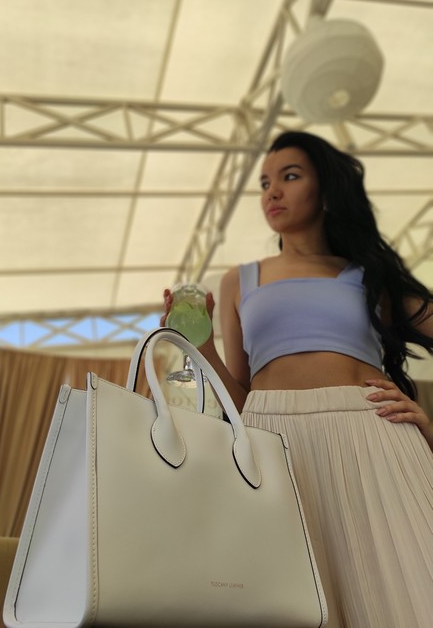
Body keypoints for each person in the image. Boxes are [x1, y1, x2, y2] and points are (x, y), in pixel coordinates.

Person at [161, 131, 433, 628]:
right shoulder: (239, 280)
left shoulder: (371, 275)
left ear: (325, 189)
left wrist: (429, 424)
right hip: (271, 438)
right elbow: (239, 399)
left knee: (405, 593)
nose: (273, 192)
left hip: (374, 430)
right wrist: (200, 346)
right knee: (289, 602)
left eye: (289, 176)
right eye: (265, 183)